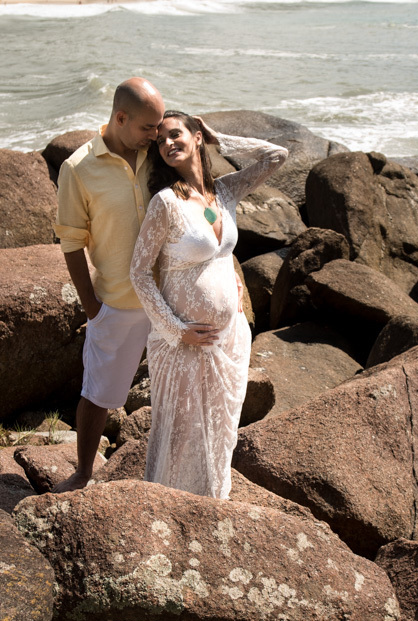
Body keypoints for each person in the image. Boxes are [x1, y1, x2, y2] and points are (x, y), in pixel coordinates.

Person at [129, 112, 287, 499]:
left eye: (175, 134)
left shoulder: (225, 193)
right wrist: (176, 330)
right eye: (160, 140)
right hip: (183, 342)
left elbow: (277, 156)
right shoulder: (165, 203)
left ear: (196, 136)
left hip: (228, 337)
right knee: (180, 434)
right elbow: (139, 273)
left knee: (220, 430)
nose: (166, 143)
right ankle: (167, 507)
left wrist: (219, 137)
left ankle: (212, 503)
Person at [52, 78, 165, 493]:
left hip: (169, 300)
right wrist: (91, 307)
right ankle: (83, 473)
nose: (157, 135)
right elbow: (70, 241)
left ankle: (175, 470)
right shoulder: (78, 168)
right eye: (148, 128)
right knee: (98, 393)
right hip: (117, 304)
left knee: (176, 393)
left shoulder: (158, 155)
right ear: (120, 118)